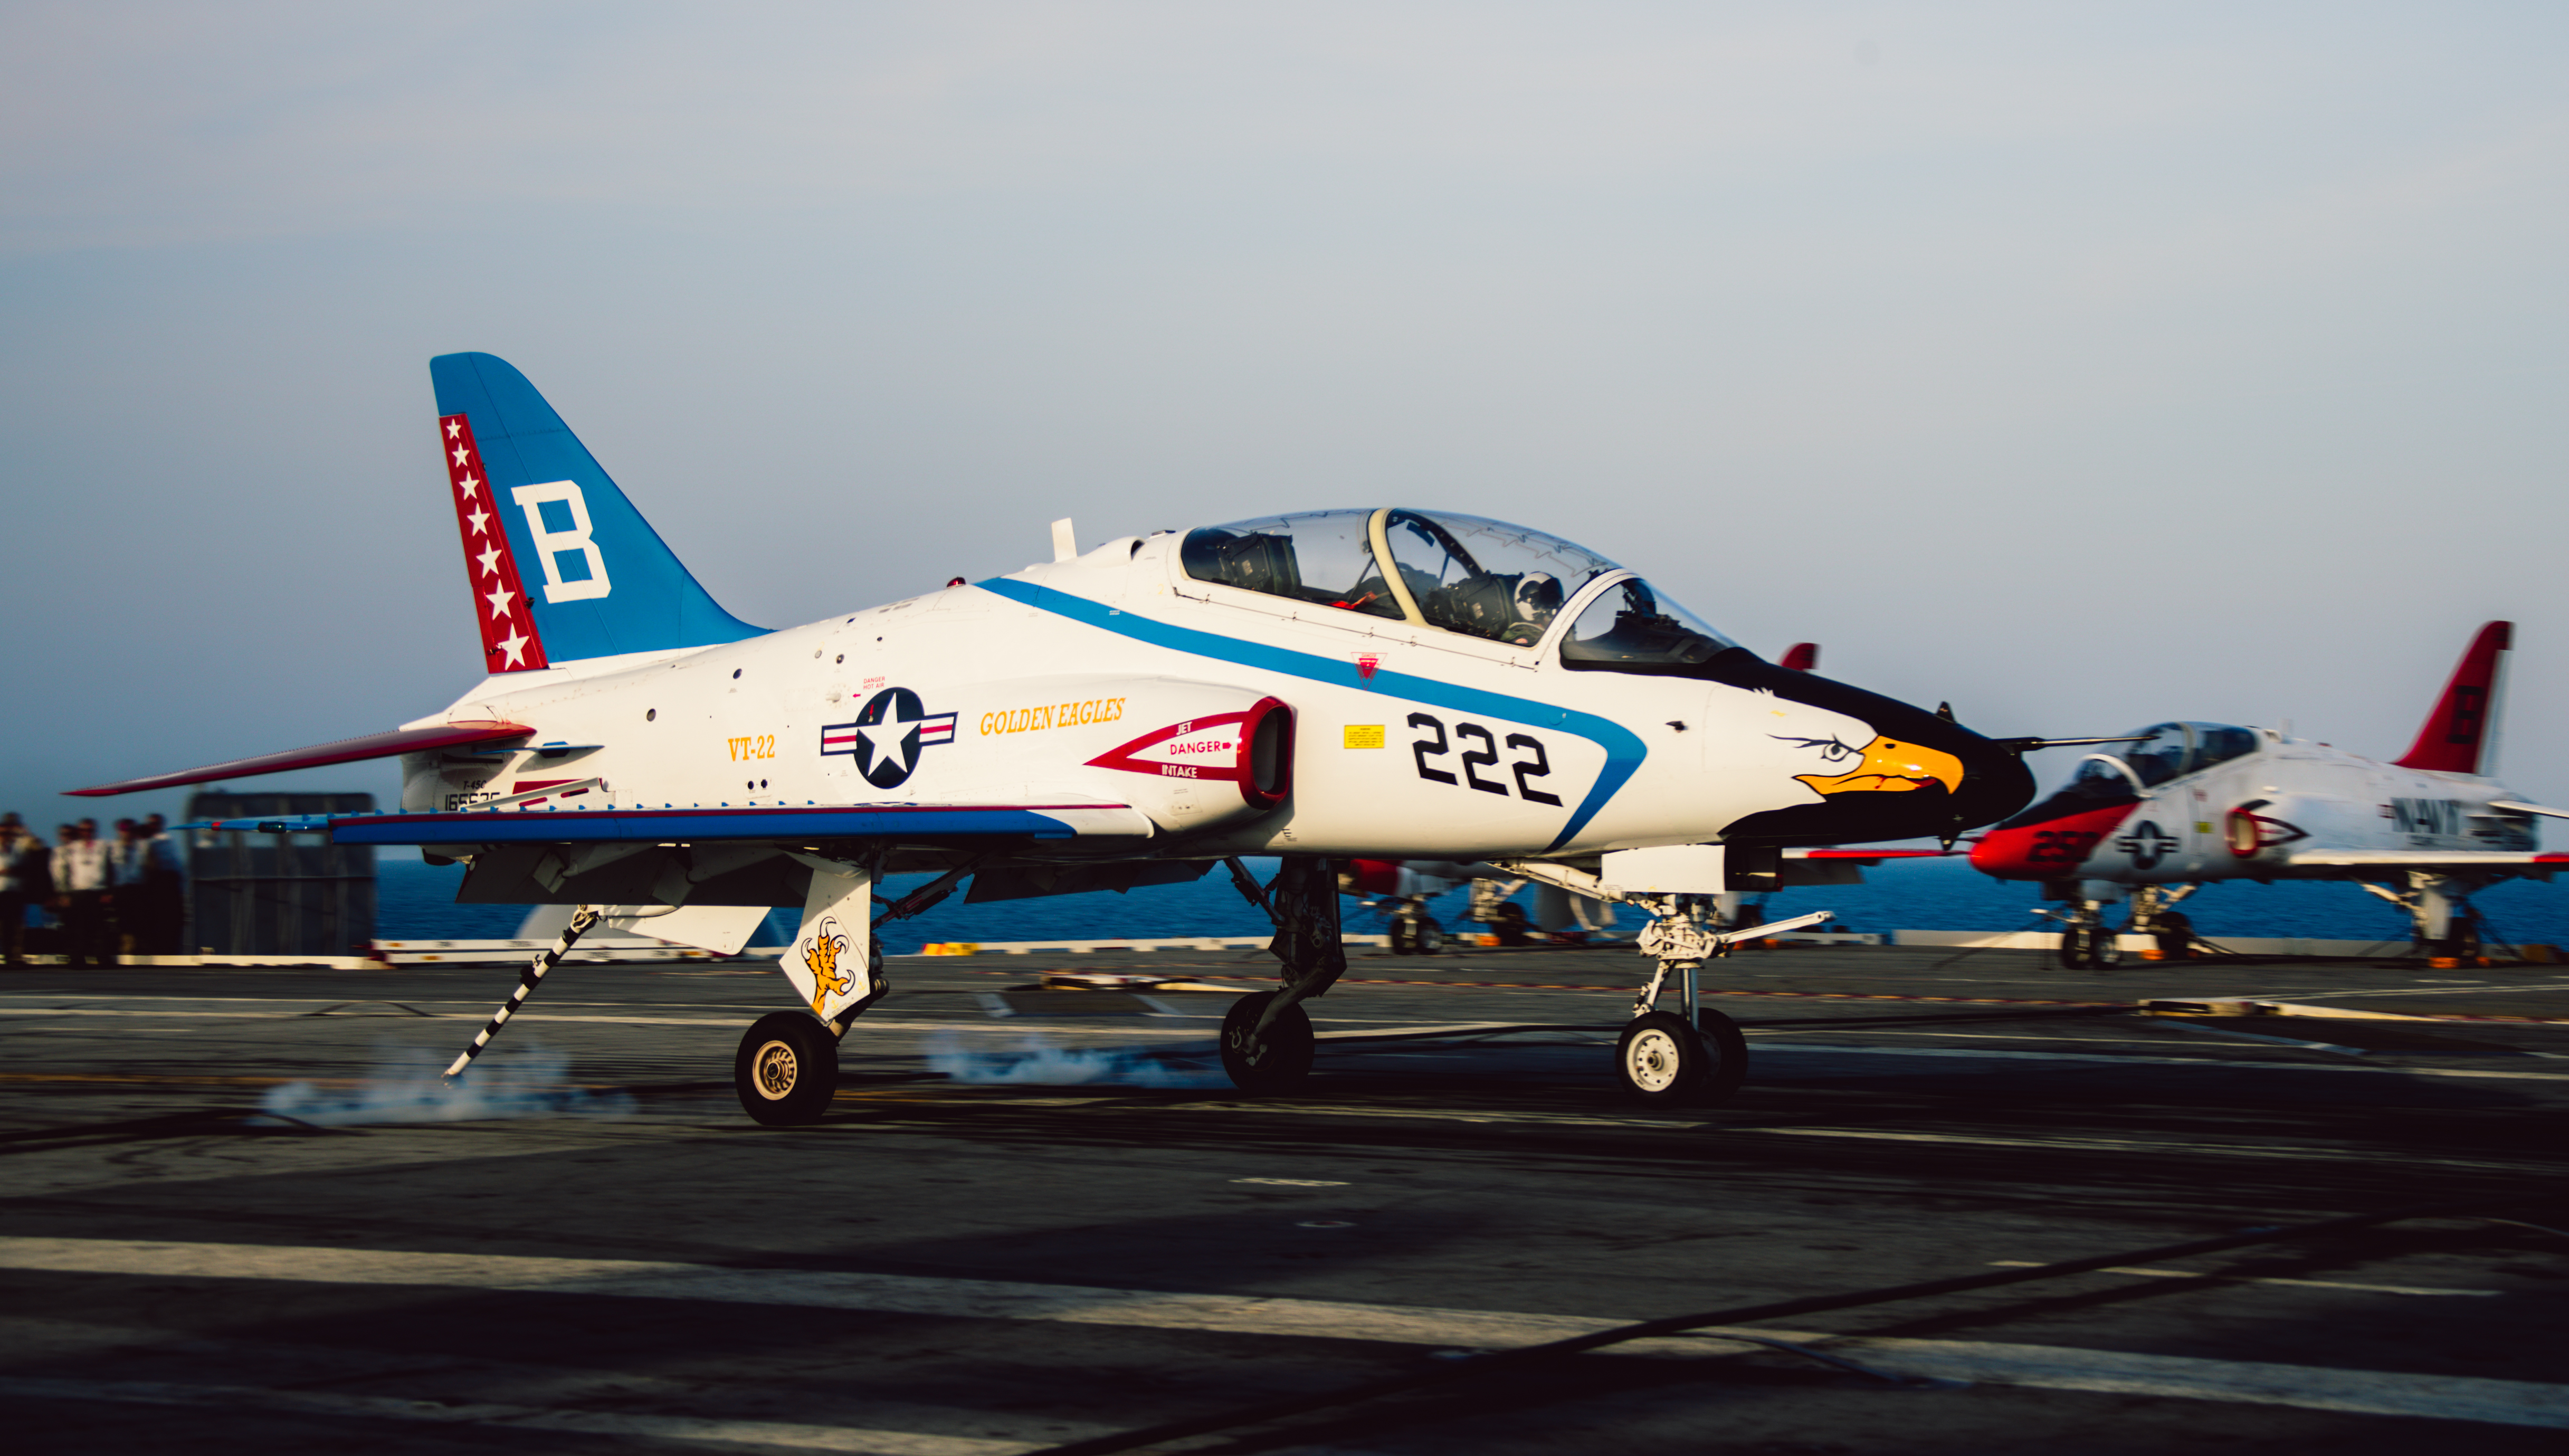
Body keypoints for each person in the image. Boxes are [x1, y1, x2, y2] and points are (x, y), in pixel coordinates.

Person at [54, 819, 115, 969]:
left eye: (90, 830)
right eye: (84, 830)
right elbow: (65, 872)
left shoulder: (103, 847)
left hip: (97, 891)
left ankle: (102, 958)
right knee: (78, 928)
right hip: (78, 892)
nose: (87, 833)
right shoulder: (72, 848)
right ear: (79, 832)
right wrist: (65, 894)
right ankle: (77, 959)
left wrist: (109, 891)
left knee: (100, 927)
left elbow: (110, 870)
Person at [0, 815, 42, 966]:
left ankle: (15, 958)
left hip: (16, 892)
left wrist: (26, 832)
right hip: (1, 891)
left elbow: (37, 848)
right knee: (3, 926)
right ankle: (5, 956)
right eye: (3, 833)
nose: (6, 836)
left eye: (9, 833)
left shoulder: (19, 847)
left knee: (17, 926)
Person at [140, 814, 184, 955]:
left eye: (156, 823)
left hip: (167, 882)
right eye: (151, 824)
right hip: (150, 884)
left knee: (169, 920)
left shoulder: (167, 840)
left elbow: (175, 864)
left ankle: (169, 949)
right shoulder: (145, 841)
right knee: (152, 920)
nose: (154, 826)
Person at [109, 819, 154, 957]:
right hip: (120, 888)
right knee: (123, 921)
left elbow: (151, 868)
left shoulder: (143, 847)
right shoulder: (112, 848)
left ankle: (141, 950)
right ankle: (126, 949)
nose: (126, 833)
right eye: (123, 830)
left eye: (129, 830)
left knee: (139, 920)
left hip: (138, 888)